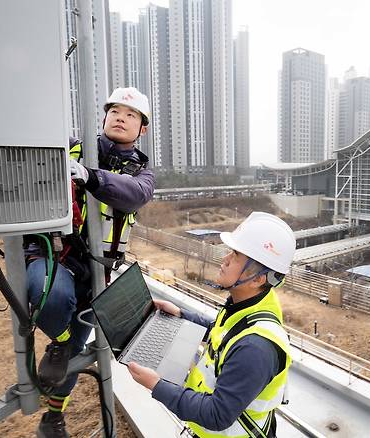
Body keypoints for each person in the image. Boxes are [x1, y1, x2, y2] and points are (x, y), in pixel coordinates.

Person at [29, 87, 155, 437]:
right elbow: (29, 149)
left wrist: (92, 176)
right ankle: (58, 342)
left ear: (141, 128)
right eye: (114, 111)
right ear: (102, 118)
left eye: (131, 114)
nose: (120, 117)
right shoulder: (72, 148)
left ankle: (54, 417)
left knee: (73, 353)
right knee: (51, 298)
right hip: (56, 255)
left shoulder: (142, 174)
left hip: (97, 271)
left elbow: (132, 196)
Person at [128, 212, 295, 438]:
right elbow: (223, 332)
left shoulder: (256, 349)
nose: (224, 260)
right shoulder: (248, 305)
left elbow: (216, 415)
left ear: (258, 278)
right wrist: (181, 314)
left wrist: (157, 385)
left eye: (236, 255)